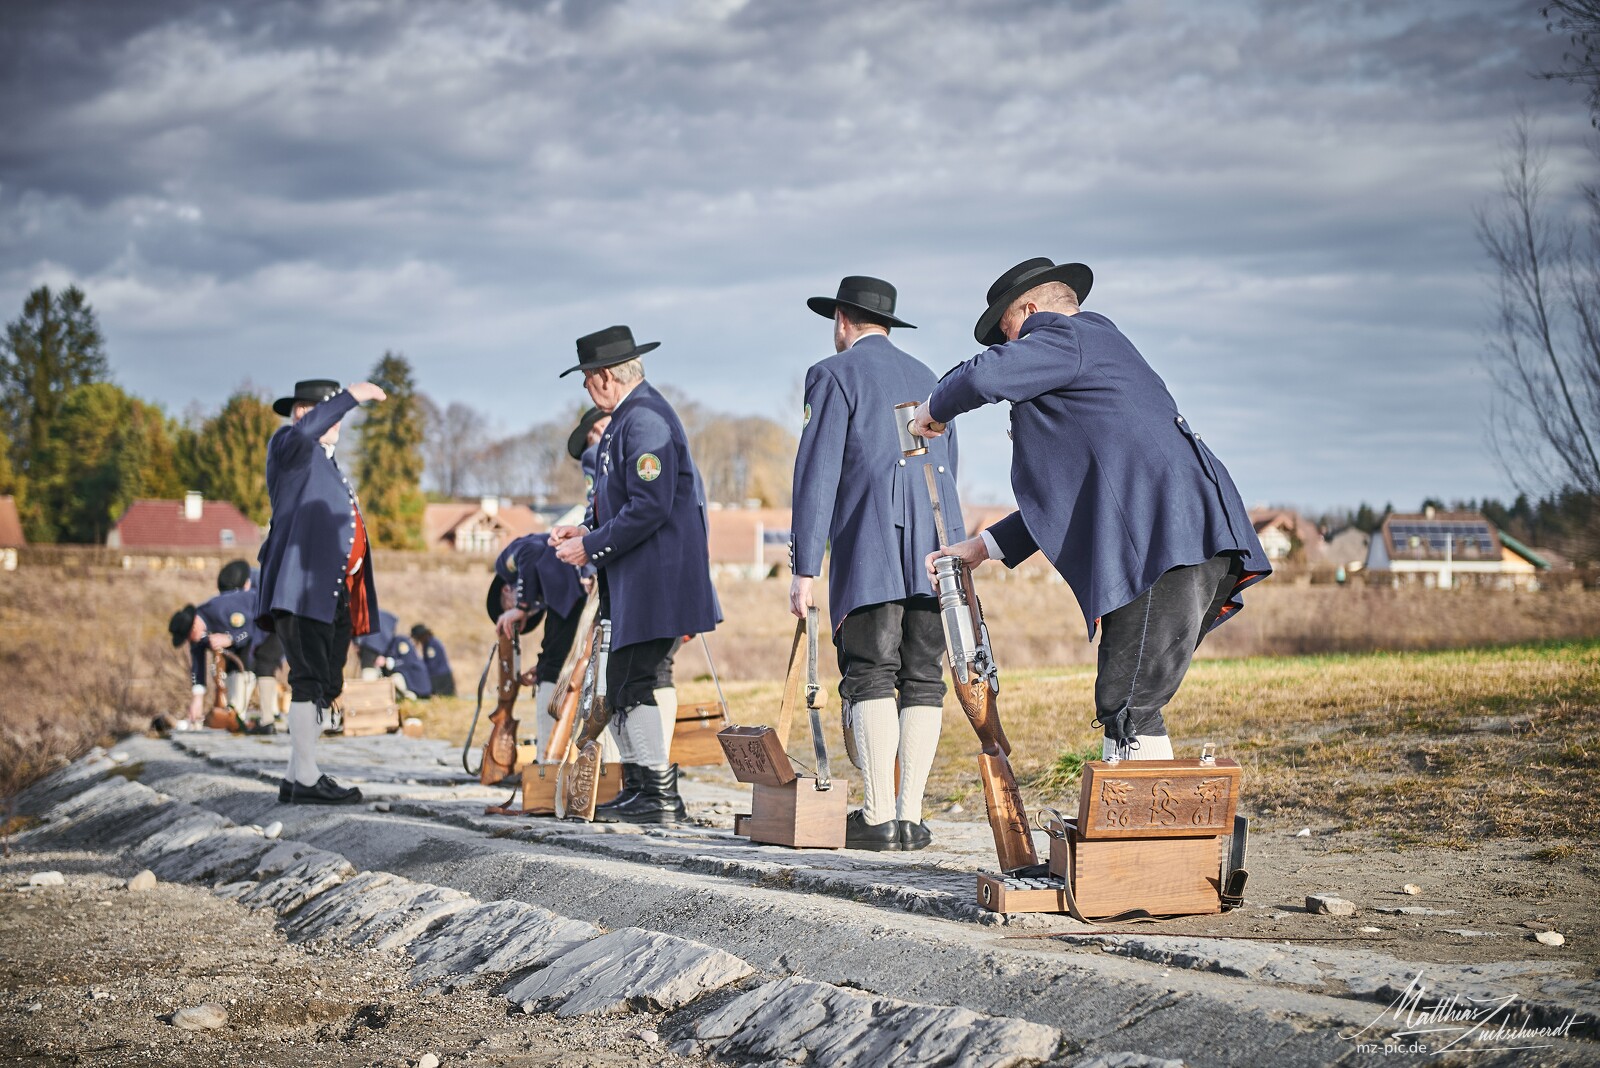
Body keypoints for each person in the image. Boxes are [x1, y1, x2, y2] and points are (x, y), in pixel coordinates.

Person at [911, 258, 1271, 761]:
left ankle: (1143, 836)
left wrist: (934, 408)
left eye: (1008, 331)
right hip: (1188, 534)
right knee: (1132, 701)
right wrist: (983, 547)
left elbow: (985, 376)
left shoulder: (1069, 336)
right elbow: (1079, 497)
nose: (1009, 345)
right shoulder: (1096, 355)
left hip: (1163, 539)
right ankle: (1132, 831)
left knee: (1129, 704)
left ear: (1032, 311)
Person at [790, 275, 963, 852]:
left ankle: (878, 816)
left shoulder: (833, 374)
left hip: (871, 546)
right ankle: (911, 818)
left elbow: (816, 476)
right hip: (938, 547)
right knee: (923, 677)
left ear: (842, 321)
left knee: (869, 672)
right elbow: (949, 466)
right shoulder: (931, 378)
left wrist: (805, 567)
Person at [549, 325, 721, 823]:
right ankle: (648, 787)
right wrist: (581, 531)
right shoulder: (629, 418)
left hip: (657, 580)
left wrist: (591, 547)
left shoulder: (643, 420)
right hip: (639, 580)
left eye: (585, 377)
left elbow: (650, 505)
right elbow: (615, 500)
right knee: (628, 682)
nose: (584, 387)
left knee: (633, 680)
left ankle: (658, 795)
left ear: (604, 376)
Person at [255, 377, 386, 805]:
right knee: (308, 678)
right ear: (301, 414)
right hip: (301, 584)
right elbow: (308, 429)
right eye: (315, 409)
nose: (329, 418)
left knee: (326, 679)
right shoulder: (290, 445)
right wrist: (354, 396)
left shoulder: (324, 462)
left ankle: (297, 774)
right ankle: (307, 779)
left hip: (329, 588)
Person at [489, 531, 586, 756]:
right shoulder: (544, 591)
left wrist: (521, 607)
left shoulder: (505, 565)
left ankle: (547, 757)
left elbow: (530, 550)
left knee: (551, 668)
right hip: (572, 594)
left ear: (505, 591)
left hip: (571, 591)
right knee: (551, 666)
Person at [167, 586, 266, 731]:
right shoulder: (198, 638)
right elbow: (197, 666)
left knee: (243, 665)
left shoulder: (219, 610)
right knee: (230, 670)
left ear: (194, 626)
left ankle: (238, 713)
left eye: (188, 637)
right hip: (237, 649)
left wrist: (230, 638)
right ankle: (233, 712)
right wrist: (197, 698)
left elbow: (250, 628)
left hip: (262, 624)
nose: (189, 642)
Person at [217, 559, 283, 730]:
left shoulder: (261, 587)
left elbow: (255, 629)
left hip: (277, 625)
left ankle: (267, 716)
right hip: (260, 627)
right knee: (249, 660)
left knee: (264, 662)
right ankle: (240, 710)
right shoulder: (234, 584)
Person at [384, 627, 432, 700]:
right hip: (412, 680)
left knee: (396, 677)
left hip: (416, 681)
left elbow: (407, 661)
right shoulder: (390, 643)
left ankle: (409, 696)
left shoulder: (400, 641)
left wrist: (389, 662)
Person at [410, 623, 456, 697]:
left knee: (446, 698)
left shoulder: (431, 645)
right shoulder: (429, 643)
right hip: (439, 675)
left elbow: (431, 665)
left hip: (440, 677)